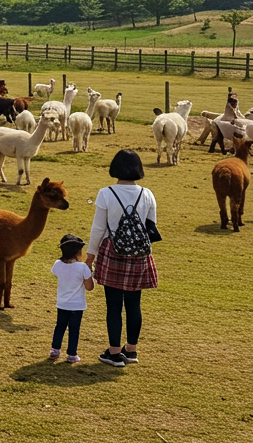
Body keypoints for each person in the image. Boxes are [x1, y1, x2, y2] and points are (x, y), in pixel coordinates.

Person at [87, 149, 158, 367]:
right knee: (134, 304)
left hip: (113, 251)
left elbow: (98, 228)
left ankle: (115, 352)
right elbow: (151, 227)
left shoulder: (106, 193)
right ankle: (132, 349)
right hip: (138, 254)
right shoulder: (147, 193)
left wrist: (90, 258)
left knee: (114, 305)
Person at [50, 233, 94, 364]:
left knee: (60, 326)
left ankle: (55, 350)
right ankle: (72, 354)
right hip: (77, 305)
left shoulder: (57, 264)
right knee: (74, 329)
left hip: (62, 303)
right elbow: (89, 287)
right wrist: (90, 272)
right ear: (78, 252)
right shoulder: (82, 267)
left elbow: (57, 272)